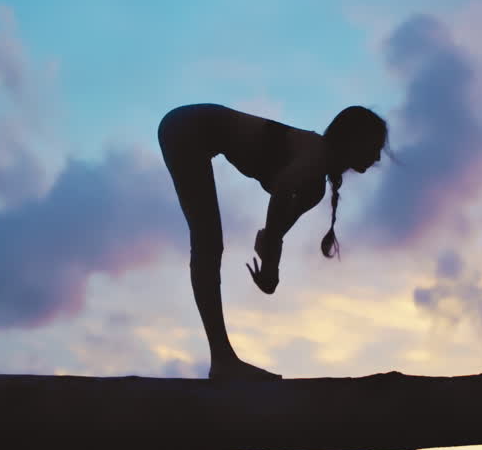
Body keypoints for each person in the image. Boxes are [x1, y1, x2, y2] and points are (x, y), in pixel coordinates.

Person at [158, 103, 389, 380]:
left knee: (208, 241)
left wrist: (270, 266)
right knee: (208, 241)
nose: (377, 157)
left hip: (186, 127)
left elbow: (270, 235)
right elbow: (281, 189)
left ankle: (222, 359)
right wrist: (271, 264)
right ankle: (222, 359)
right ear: (354, 139)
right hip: (186, 128)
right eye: (374, 146)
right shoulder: (316, 152)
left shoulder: (314, 188)